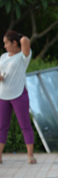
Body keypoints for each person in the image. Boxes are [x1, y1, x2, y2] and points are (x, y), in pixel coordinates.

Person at [0, 31, 36, 164]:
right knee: (2, 126)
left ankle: (30, 156)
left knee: (25, 125)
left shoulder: (23, 56)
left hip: (19, 94)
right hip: (3, 95)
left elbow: (25, 40)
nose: (4, 46)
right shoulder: (3, 57)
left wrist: (19, 37)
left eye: (6, 43)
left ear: (14, 43)